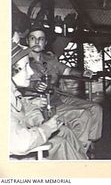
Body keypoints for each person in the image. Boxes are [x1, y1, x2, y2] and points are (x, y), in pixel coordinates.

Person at [25, 23, 103, 151]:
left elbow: (66, 70)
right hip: (44, 103)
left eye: (41, 39)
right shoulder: (23, 61)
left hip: (58, 96)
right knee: (83, 115)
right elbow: (19, 81)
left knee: (96, 108)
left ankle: (88, 144)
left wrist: (82, 73)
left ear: (45, 43)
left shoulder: (50, 59)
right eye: (33, 38)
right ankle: (78, 152)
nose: (37, 41)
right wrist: (34, 86)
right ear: (27, 41)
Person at [11, 42, 87, 160]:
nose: (31, 72)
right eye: (25, 67)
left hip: (29, 130)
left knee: (66, 131)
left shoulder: (13, 92)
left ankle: (85, 162)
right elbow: (21, 143)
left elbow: (27, 107)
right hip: (17, 158)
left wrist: (40, 121)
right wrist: (46, 128)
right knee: (62, 144)